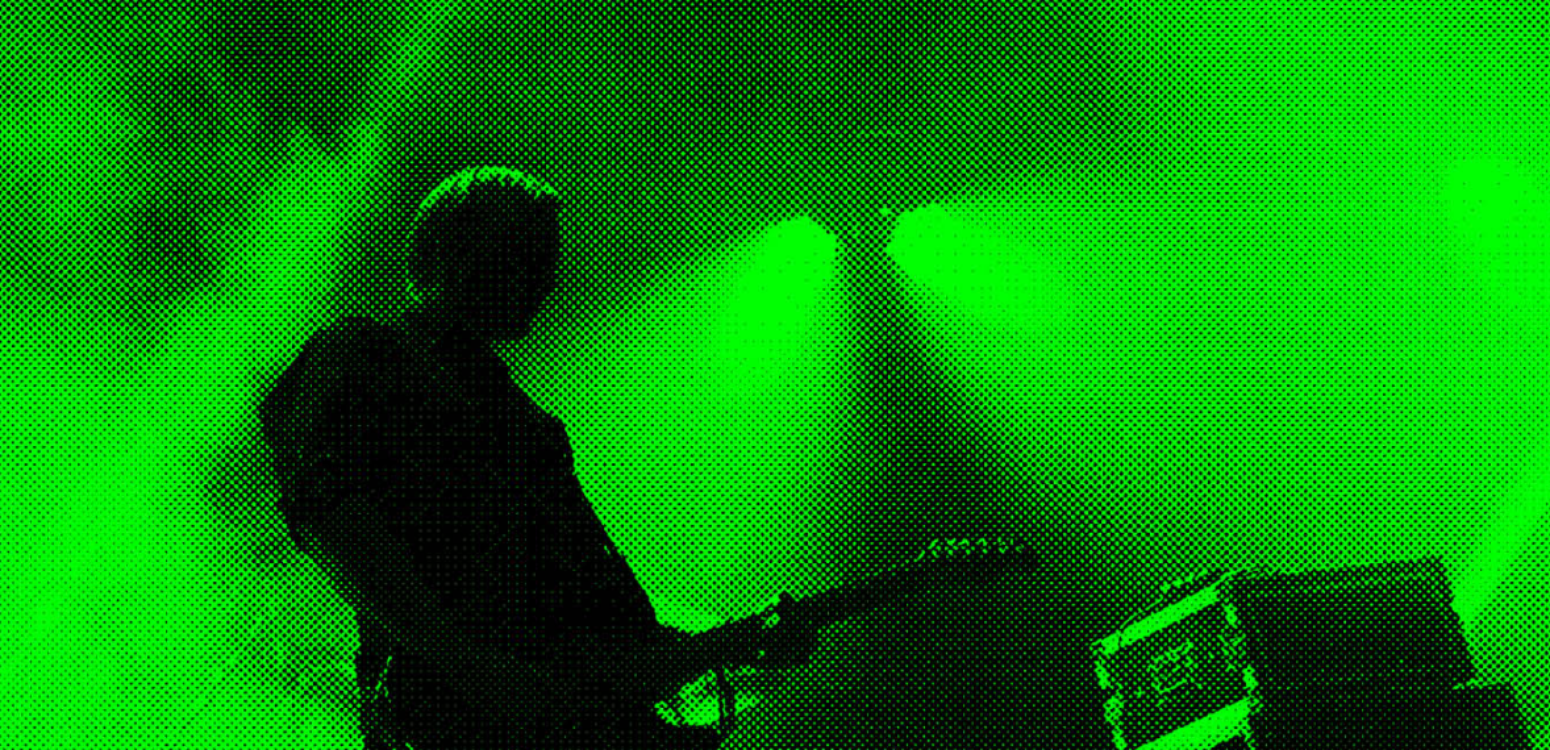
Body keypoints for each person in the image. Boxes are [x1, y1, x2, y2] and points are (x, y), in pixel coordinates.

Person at [258, 167, 808, 749]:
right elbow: (330, 512)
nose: (550, 279)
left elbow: (594, 621)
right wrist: (472, 667)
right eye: (531, 255)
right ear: (457, 256)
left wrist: (731, 644)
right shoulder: (366, 353)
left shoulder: (524, 421)